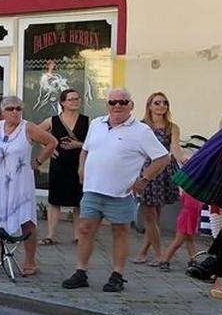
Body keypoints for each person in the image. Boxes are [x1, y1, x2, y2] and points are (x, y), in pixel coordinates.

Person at [62, 89, 170, 293]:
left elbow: (162, 158)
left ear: (131, 105)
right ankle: (80, 272)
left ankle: (117, 275)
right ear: (108, 105)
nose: (117, 106)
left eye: (122, 102)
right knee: (85, 230)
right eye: (113, 102)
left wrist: (144, 179)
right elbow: (86, 149)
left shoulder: (141, 131)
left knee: (120, 232)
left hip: (120, 193)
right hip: (93, 189)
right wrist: (81, 167)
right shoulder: (96, 124)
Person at [0, 96, 58, 274]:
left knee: (26, 219)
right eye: (10, 109)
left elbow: (51, 142)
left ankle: (30, 262)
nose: (15, 112)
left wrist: (37, 162)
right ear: (2, 112)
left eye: (18, 108)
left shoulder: (28, 128)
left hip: (20, 181)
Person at [133, 91, 185, 266]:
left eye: (164, 103)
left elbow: (175, 147)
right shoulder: (140, 126)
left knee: (156, 216)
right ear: (149, 106)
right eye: (157, 103)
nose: (161, 106)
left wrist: (183, 159)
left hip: (165, 170)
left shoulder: (172, 127)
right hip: (147, 171)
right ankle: (159, 254)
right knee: (149, 216)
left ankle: (145, 252)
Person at [37, 88, 89, 245]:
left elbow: (93, 143)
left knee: (78, 201)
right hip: (59, 163)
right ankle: (50, 235)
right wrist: (47, 148)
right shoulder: (52, 120)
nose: (75, 102)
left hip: (79, 163)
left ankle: (78, 236)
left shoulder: (87, 120)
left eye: (77, 99)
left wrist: (77, 144)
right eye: (71, 99)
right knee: (55, 200)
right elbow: (34, 133)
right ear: (63, 103)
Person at [159, 190, 200, 272]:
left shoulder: (200, 191)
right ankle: (164, 260)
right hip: (186, 217)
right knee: (178, 241)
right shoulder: (187, 189)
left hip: (193, 217)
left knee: (190, 240)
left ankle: (193, 259)